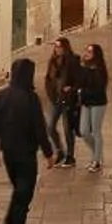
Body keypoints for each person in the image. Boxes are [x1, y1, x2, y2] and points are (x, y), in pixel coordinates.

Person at [0, 58, 53, 224]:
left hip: (9, 154)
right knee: (23, 197)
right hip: (26, 155)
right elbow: (40, 129)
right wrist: (49, 153)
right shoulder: (30, 98)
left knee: (19, 192)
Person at [41, 39, 79, 169]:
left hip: (68, 99)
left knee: (68, 129)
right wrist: (50, 93)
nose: (57, 49)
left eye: (59, 47)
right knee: (50, 127)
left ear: (65, 47)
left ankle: (70, 156)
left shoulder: (73, 61)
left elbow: (78, 80)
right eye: (55, 47)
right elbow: (48, 79)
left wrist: (71, 89)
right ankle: (60, 151)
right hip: (56, 99)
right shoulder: (52, 62)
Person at [77, 46, 110, 172]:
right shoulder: (84, 68)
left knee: (96, 130)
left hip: (98, 103)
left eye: (90, 52)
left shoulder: (100, 70)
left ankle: (96, 160)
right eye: (86, 51)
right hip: (86, 102)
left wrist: (82, 91)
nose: (87, 53)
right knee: (84, 131)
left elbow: (98, 87)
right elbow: (80, 82)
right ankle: (97, 153)